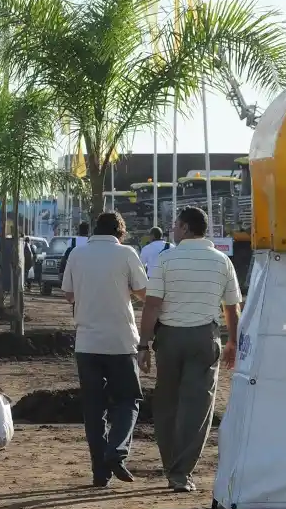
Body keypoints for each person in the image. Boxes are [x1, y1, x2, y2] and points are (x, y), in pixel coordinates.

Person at [138, 206, 241, 493]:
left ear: (184, 228)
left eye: (175, 225)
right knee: (197, 408)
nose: (173, 229)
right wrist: (233, 341)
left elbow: (152, 305)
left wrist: (143, 345)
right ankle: (181, 473)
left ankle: (171, 463)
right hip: (203, 340)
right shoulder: (222, 261)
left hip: (169, 339)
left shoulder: (165, 260)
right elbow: (231, 307)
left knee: (167, 404)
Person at [62, 212, 147, 487]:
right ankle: (117, 452)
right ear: (120, 233)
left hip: (87, 343)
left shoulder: (77, 254)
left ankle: (100, 472)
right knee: (128, 400)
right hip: (121, 342)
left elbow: (68, 294)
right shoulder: (126, 254)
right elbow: (143, 292)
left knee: (94, 409)